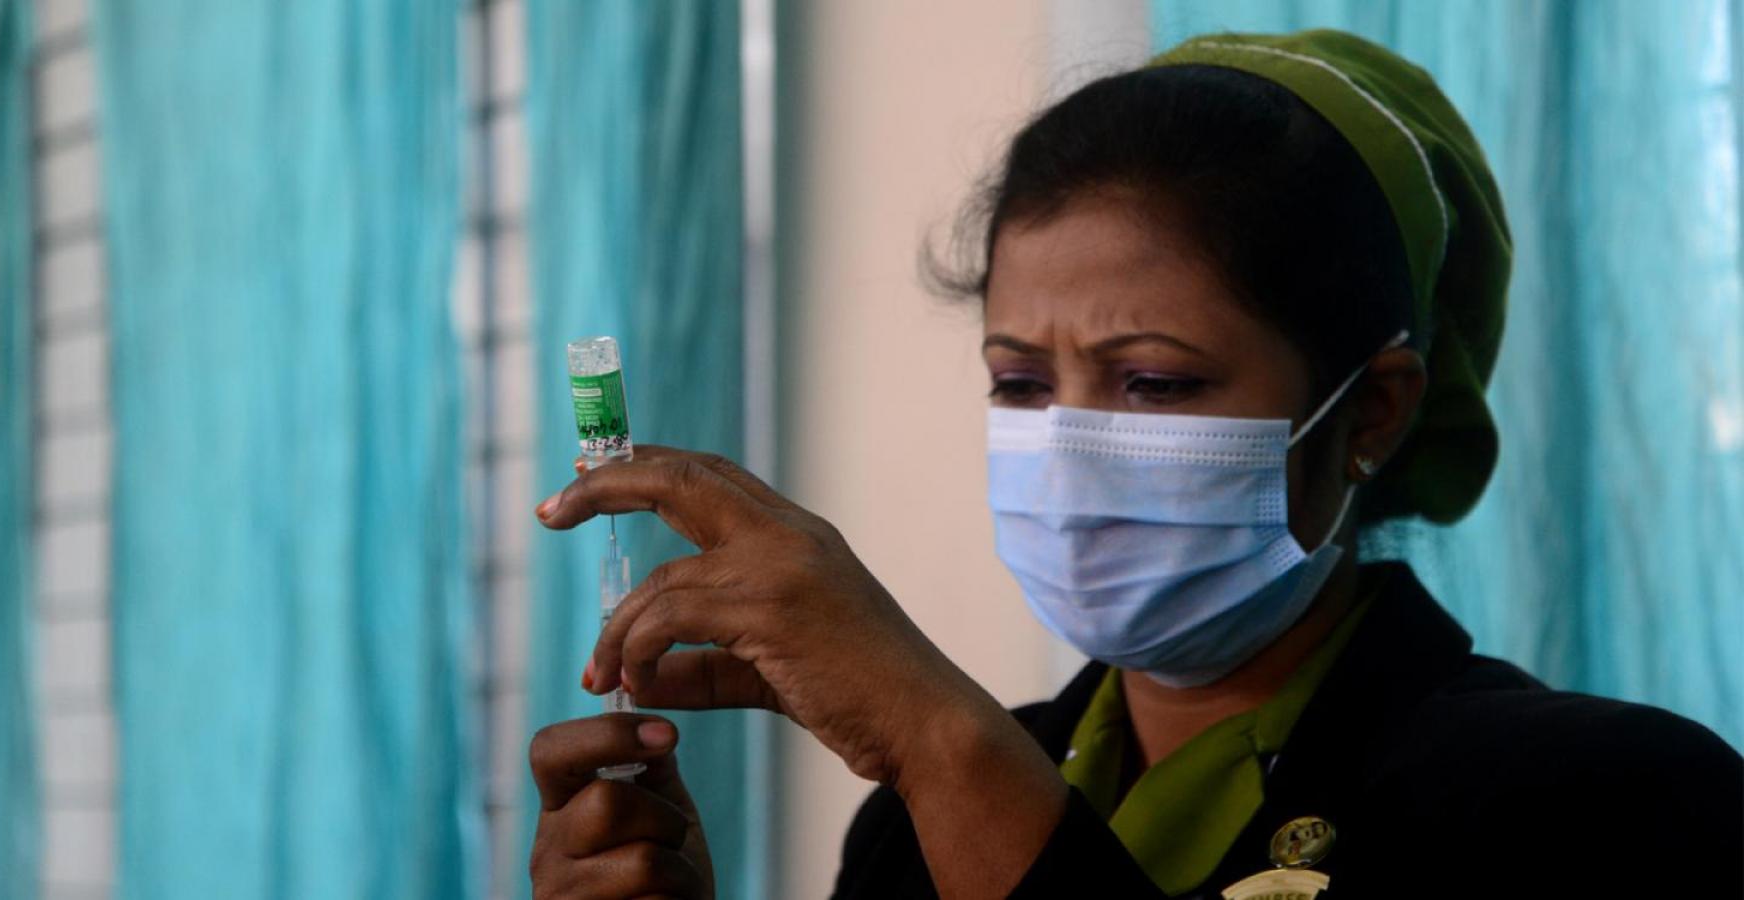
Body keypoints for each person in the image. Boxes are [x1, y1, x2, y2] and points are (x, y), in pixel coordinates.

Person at [523, 30, 1743, 899]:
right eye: (1018, 383)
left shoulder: (1600, 807)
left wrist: (934, 734)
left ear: (1369, 411)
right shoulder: (905, 836)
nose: (1066, 448)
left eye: (1153, 383)